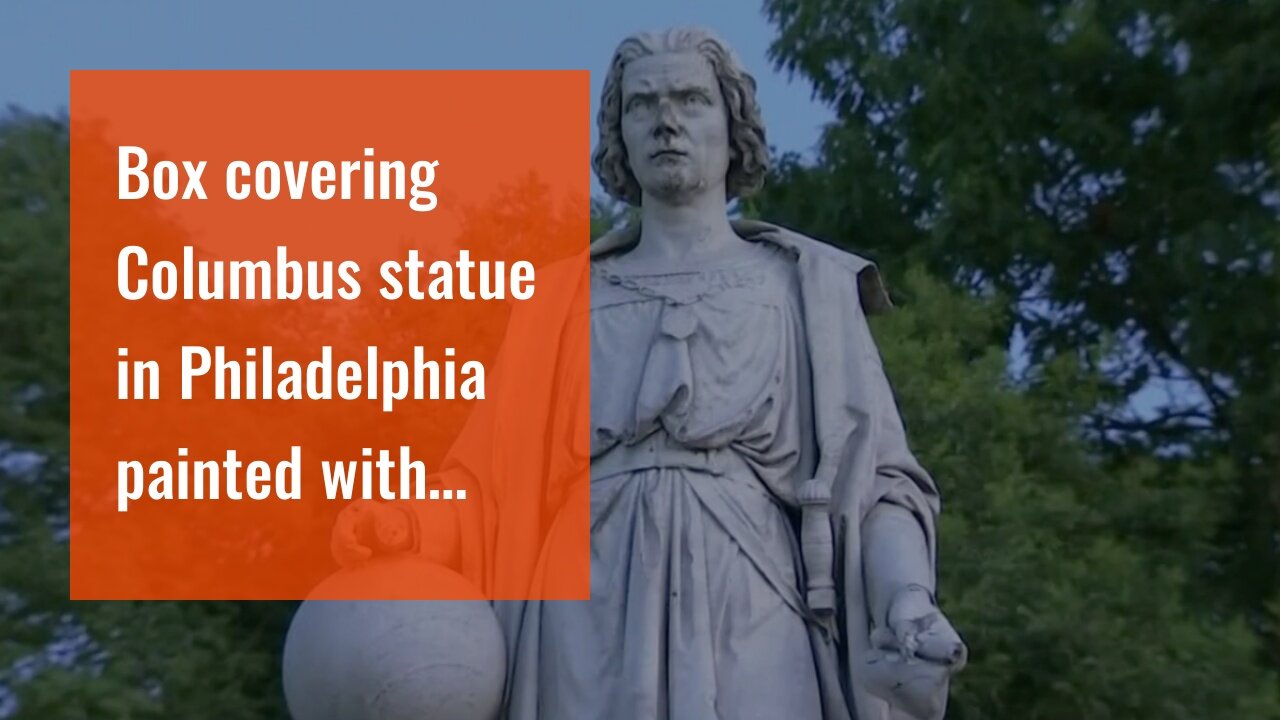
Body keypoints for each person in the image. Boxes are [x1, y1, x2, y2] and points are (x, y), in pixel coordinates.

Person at [332, 26, 967, 720]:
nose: (667, 119)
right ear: (620, 135)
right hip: (582, 610)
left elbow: (880, 486)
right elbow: (484, 486)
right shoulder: (559, 302)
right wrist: (406, 523)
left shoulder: (804, 288)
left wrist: (908, 597)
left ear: (734, 124)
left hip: (753, 597)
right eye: (642, 104)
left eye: (691, 99)